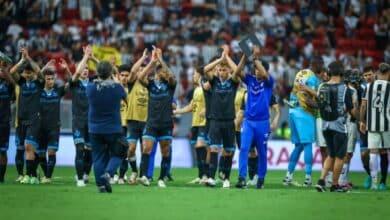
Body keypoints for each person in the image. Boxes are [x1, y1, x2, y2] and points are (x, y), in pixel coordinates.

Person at [315, 61, 357, 192]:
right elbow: (351, 110)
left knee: (330, 154)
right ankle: (334, 185)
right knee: (340, 156)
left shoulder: (322, 86)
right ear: (341, 72)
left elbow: (319, 105)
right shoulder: (345, 89)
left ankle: (321, 180)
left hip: (325, 125)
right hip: (339, 126)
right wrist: (359, 115)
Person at [235, 47, 274, 189]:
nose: (257, 71)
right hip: (249, 122)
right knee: (244, 148)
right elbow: (237, 72)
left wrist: (255, 58)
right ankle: (241, 178)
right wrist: (245, 57)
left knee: (262, 153)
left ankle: (261, 178)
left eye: (259, 68)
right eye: (255, 69)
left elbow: (263, 72)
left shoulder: (269, 82)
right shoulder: (250, 80)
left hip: (263, 123)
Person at [137, 47, 176, 187]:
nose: (166, 72)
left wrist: (161, 60)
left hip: (166, 124)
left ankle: (161, 178)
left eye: (166, 70)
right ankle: (144, 177)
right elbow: (140, 77)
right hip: (151, 123)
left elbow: (172, 76)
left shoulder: (170, 85)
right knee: (146, 148)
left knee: (165, 151)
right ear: (157, 72)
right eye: (163, 71)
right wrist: (152, 62)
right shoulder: (151, 84)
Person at [86, 61, 128, 193]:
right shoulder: (117, 88)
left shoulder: (91, 88)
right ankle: (108, 174)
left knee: (98, 157)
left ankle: (101, 185)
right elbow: (127, 101)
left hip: (94, 129)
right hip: (113, 128)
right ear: (111, 73)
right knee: (120, 152)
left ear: (97, 73)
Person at [283, 56, 325, 187]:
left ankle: (288, 176)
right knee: (307, 145)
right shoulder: (312, 78)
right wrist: (320, 105)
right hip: (304, 112)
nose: (322, 67)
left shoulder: (301, 73)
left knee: (298, 146)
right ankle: (308, 177)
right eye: (321, 65)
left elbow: (294, 90)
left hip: (292, 110)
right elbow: (307, 99)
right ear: (316, 64)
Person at [202, 49, 241, 188]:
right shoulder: (214, 82)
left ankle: (226, 179)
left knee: (229, 150)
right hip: (215, 120)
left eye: (224, 70)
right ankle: (211, 177)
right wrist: (219, 60)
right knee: (213, 149)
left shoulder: (233, 82)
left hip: (230, 120)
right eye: (219, 70)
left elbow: (238, 71)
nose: (221, 72)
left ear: (229, 71)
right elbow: (204, 70)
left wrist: (227, 58)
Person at [10, 47, 42, 184]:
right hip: (21, 120)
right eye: (25, 73)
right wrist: (22, 60)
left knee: (28, 146)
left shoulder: (38, 83)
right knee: (25, 148)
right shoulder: (22, 83)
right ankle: (33, 174)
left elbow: (40, 72)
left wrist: (28, 59)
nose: (28, 75)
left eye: (30, 73)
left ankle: (28, 175)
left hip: (34, 119)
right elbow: (12, 72)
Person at [37, 60, 69, 184]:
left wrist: (66, 70)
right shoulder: (38, 92)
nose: (51, 81)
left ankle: (48, 177)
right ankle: (46, 175)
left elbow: (72, 83)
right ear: (44, 80)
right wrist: (44, 67)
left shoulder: (58, 91)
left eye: (52, 79)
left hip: (54, 127)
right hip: (40, 127)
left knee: (51, 151)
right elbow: (36, 77)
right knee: (40, 154)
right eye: (48, 79)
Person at [174, 68, 208, 184]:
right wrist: (176, 112)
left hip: (204, 123)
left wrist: (207, 110)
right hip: (195, 123)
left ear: (200, 75)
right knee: (197, 149)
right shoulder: (196, 89)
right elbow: (190, 107)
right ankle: (200, 175)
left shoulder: (206, 87)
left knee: (201, 147)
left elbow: (213, 101)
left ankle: (206, 175)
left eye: (194, 73)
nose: (193, 75)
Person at [359, 63, 390, 191]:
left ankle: (374, 183)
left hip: (371, 124)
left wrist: (362, 121)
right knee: (384, 152)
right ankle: (383, 182)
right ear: (388, 73)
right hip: (387, 124)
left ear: (377, 72)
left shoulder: (369, 87)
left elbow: (363, 106)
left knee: (373, 153)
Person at [69, 45, 93, 187]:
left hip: (92, 123)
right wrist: (86, 56)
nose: (84, 71)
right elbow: (76, 73)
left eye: (87, 69)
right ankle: (79, 179)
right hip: (78, 121)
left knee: (89, 154)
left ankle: (85, 174)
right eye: (82, 69)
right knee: (79, 150)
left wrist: (92, 57)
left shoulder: (94, 84)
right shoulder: (74, 84)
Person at [125, 49, 149, 184]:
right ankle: (134, 170)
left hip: (146, 121)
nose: (141, 72)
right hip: (133, 120)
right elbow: (133, 71)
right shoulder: (133, 83)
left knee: (144, 148)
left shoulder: (150, 85)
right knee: (131, 149)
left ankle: (142, 175)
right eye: (140, 70)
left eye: (143, 70)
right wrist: (143, 57)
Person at [338, 69, 361, 188]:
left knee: (347, 153)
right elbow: (352, 109)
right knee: (348, 153)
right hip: (349, 122)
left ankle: (343, 178)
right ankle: (342, 180)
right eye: (356, 77)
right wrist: (361, 120)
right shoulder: (352, 91)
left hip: (341, 123)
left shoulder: (343, 89)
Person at [359, 65, 377, 189]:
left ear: (374, 74)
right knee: (364, 155)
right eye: (365, 75)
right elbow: (363, 107)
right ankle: (371, 176)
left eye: (369, 74)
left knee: (381, 153)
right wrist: (361, 121)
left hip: (381, 125)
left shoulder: (385, 87)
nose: (368, 77)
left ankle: (381, 182)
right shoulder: (365, 89)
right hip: (367, 125)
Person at [0, 53, 14, 183]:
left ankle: (1, 177)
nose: (2, 73)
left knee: (3, 151)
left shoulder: (8, 87)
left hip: (3, 123)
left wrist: (4, 68)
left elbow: (12, 82)